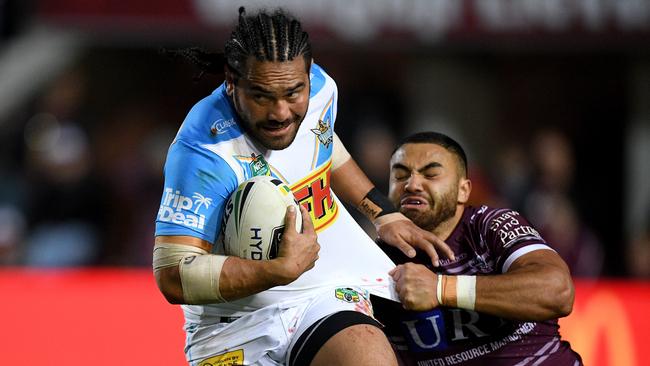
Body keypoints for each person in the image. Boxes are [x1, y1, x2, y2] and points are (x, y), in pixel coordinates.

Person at [153, 7, 453, 366]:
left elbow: (323, 145)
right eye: (262, 96)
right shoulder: (203, 153)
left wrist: (381, 213)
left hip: (320, 293)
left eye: (294, 93)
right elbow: (173, 276)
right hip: (233, 324)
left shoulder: (322, 89)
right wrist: (278, 270)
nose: (281, 113)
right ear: (232, 81)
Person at [374, 131, 582, 365]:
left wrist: (441, 289)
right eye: (400, 176)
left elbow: (558, 292)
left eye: (431, 174)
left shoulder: (490, 225)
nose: (412, 184)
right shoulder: (376, 258)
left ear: (464, 190)